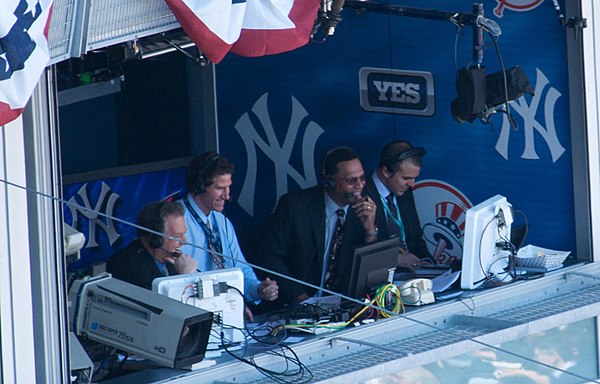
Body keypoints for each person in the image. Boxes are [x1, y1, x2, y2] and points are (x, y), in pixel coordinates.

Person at [255, 146, 378, 306]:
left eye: (362, 178)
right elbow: (269, 257)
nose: (360, 185)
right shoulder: (295, 206)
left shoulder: (368, 207)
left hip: (346, 305)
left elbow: (375, 268)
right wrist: (300, 297)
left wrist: (370, 230)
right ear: (330, 182)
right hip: (298, 303)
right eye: (351, 180)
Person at [180, 152, 279, 306]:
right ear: (199, 187)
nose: (227, 196)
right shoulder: (176, 220)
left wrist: (258, 289)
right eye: (220, 188)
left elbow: (241, 271)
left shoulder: (221, 221)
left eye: (228, 187)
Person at [363, 140, 433, 271]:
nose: (412, 184)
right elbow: (359, 250)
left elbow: (416, 237)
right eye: (406, 178)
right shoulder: (362, 195)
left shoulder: (405, 191)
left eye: (414, 178)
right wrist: (396, 260)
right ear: (386, 172)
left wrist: (430, 267)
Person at [107, 201, 198, 290]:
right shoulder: (130, 269)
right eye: (177, 236)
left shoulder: (171, 260)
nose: (184, 241)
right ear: (155, 238)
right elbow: (164, 304)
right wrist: (184, 278)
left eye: (184, 234)